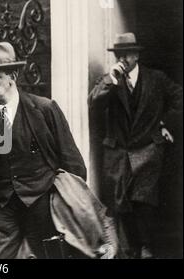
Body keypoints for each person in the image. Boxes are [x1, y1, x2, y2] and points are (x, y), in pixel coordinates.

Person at [0, 42, 95, 259]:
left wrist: (64, 201)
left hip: (41, 205)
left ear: (13, 75)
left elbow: (73, 162)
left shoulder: (44, 109)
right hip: (3, 208)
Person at [88, 33, 182, 258]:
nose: (123, 58)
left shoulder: (156, 79)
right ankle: (130, 248)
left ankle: (146, 247)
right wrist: (111, 80)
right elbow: (94, 102)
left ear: (137, 55)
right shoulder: (110, 80)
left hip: (148, 149)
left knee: (144, 201)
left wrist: (164, 123)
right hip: (119, 152)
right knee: (122, 204)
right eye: (119, 54)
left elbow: (180, 99)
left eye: (128, 53)